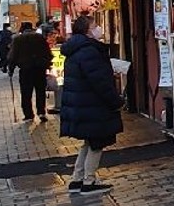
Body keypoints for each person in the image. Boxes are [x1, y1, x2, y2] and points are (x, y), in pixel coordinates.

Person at [61, 16, 123, 195]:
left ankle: (77, 178)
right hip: (93, 105)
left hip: (82, 104)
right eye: (95, 26)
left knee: (89, 142)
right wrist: (116, 101)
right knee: (97, 141)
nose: (99, 28)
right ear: (87, 30)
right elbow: (100, 82)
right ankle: (89, 181)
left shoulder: (75, 49)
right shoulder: (89, 51)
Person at [7, 21, 52, 122]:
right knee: (40, 91)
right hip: (39, 69)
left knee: (26, 92)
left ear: (22, 29)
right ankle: (41, 112)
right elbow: (47, 52)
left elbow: (13, 56)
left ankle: (28, 114)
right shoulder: (39, 37)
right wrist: (48, 64)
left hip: (26, 70)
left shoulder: (18, 39)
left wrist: (11, 69)